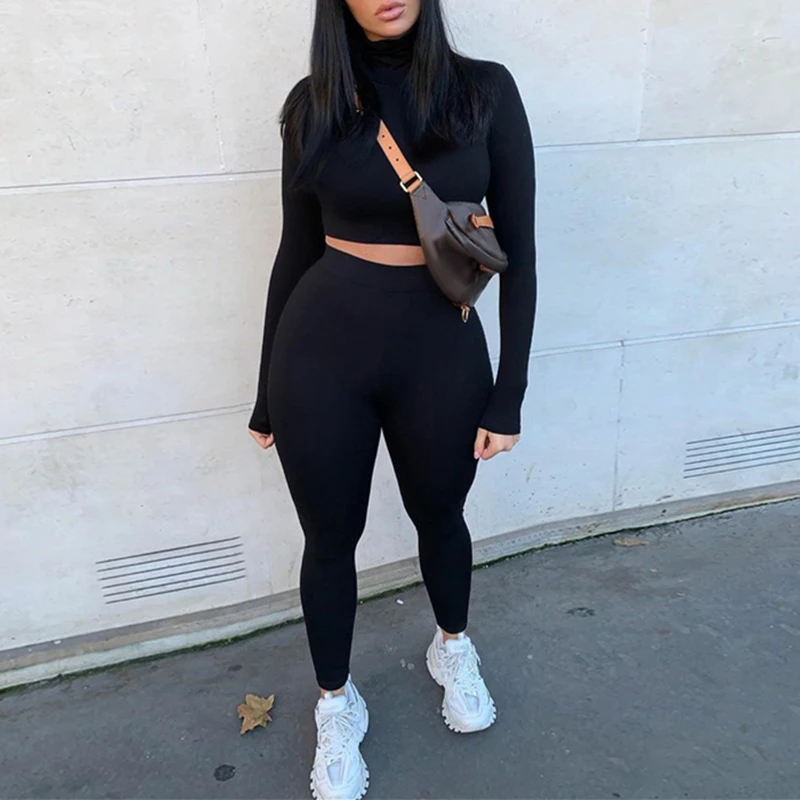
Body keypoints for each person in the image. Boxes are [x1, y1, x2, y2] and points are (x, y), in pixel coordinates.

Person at [248, 0, 536, 797]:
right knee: (327, 538)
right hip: (319, 355)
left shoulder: (485, 92)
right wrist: (265, 389)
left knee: (441, 515)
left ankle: (452, 647)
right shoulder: (313, 104)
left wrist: (510, 392)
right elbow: (294, 249)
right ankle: (336, 703)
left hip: (441, 350)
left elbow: (521, 251)